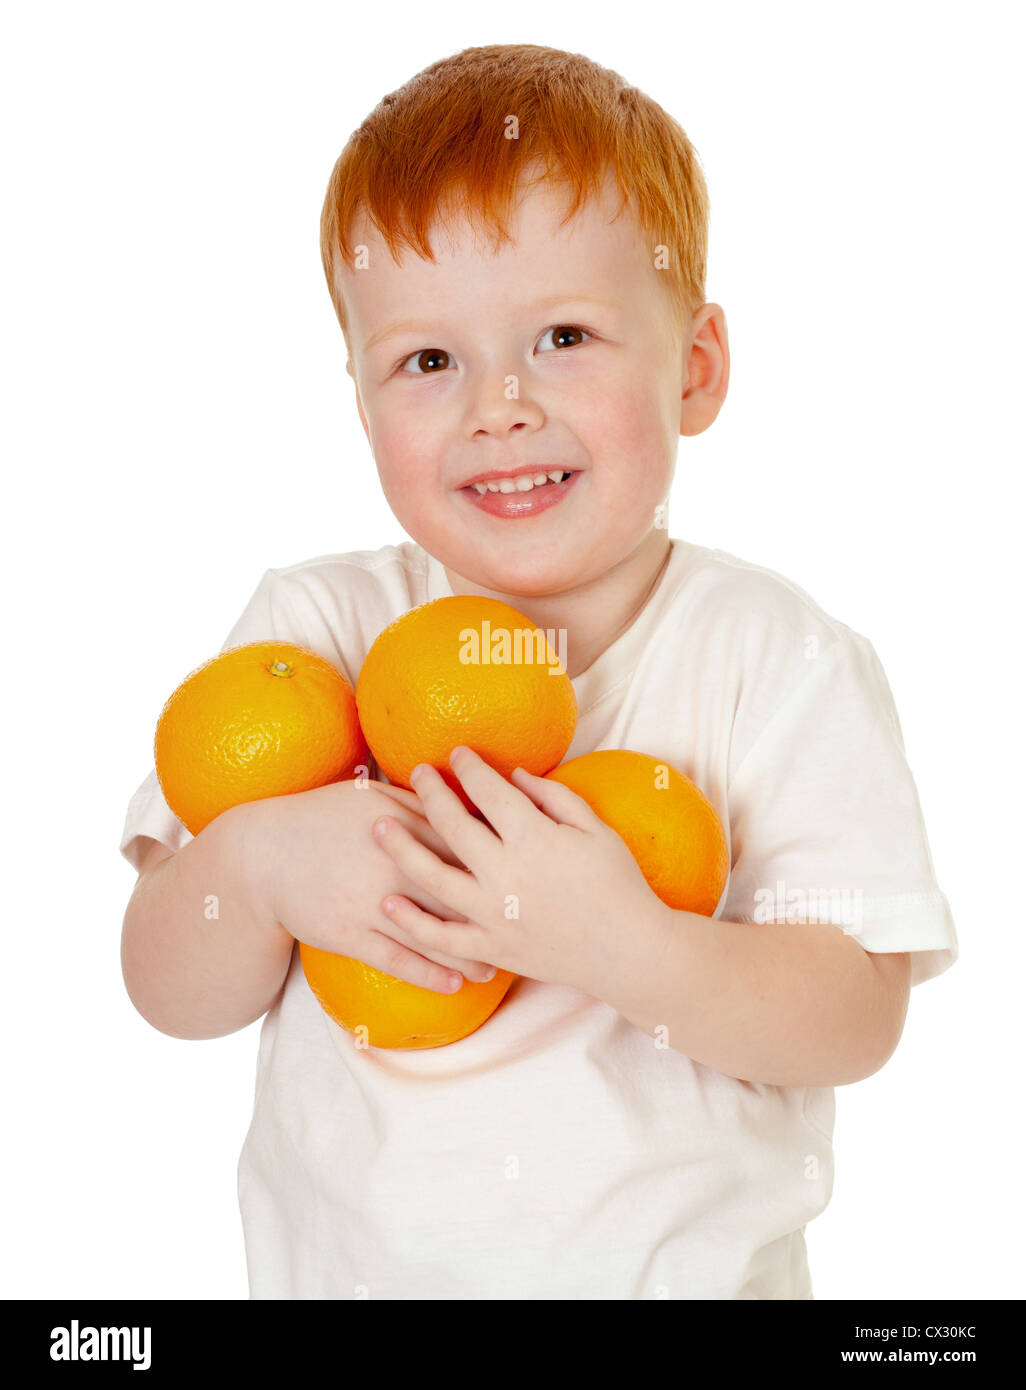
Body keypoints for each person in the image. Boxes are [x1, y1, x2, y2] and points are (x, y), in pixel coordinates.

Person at [119, 43, 957, 1299]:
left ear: (696, 367)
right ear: (360, 405)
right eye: (428, 361)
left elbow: (855, 1014)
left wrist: (622, 945)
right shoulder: (316, 636)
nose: (498, 406)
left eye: (562, 335)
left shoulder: (772, 659)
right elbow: (164, 988)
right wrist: (252, 865)